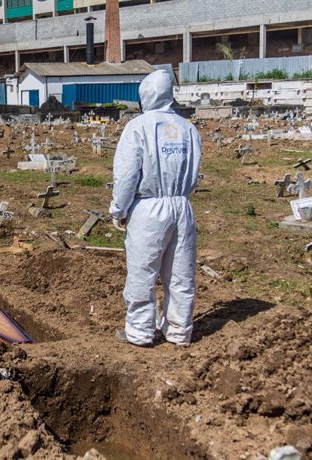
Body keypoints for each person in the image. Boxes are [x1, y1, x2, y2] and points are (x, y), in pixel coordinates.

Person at [109, 69, 202, 347]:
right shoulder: (188, 128)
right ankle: (179, 330)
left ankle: (139, 331)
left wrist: (119, 210)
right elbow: (195, 172)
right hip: (182, 206)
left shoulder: (138, 127)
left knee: (142, 271)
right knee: (180, 272)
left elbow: (126, 176)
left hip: (148, 208)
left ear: (145, 96)